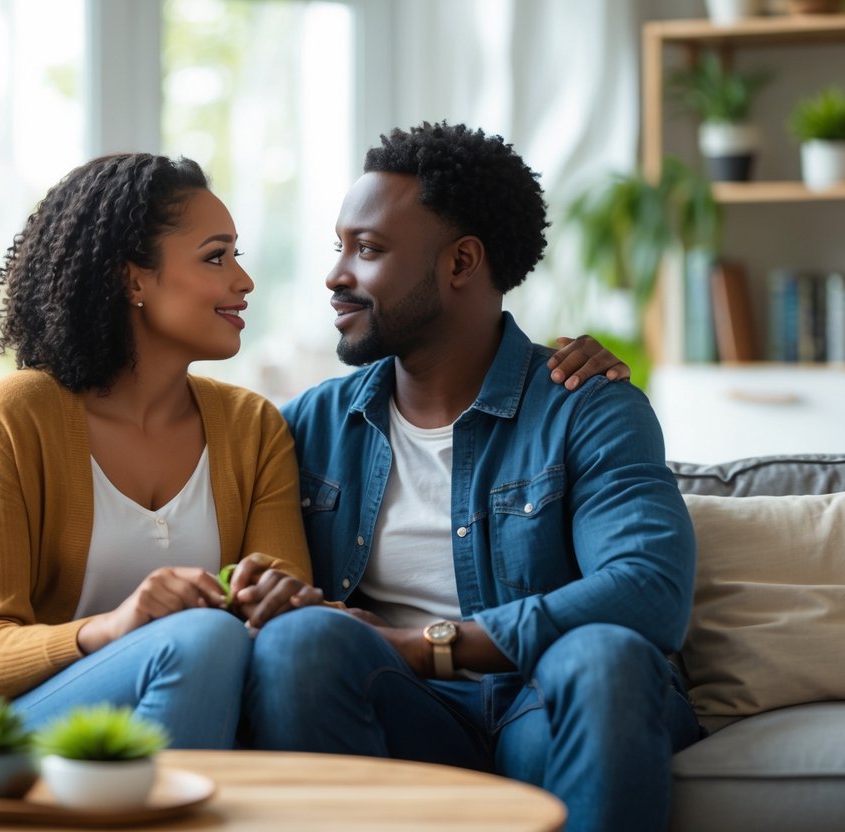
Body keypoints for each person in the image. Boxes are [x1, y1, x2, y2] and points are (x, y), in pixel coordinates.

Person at [243, 122, 701, 832]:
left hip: (545, 698)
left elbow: (649, 590)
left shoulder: (585, 407)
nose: (336, 276)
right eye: (339, 248)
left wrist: (430, 644)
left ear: (461, 262)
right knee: (298, 642)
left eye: (368, 249)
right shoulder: (309, 425)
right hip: (405, 712)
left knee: (607, 655)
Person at [0, 153, 323, 746]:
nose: (244, 281)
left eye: (238, 256)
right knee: (202, 637)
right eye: (216, 257)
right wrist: (117, 626)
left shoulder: (252, 426)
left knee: (221, 640)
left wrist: (280, 599)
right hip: (28, 712)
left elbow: (284, 623)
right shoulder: (18, 414)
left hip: (197, 689)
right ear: (133, 280)